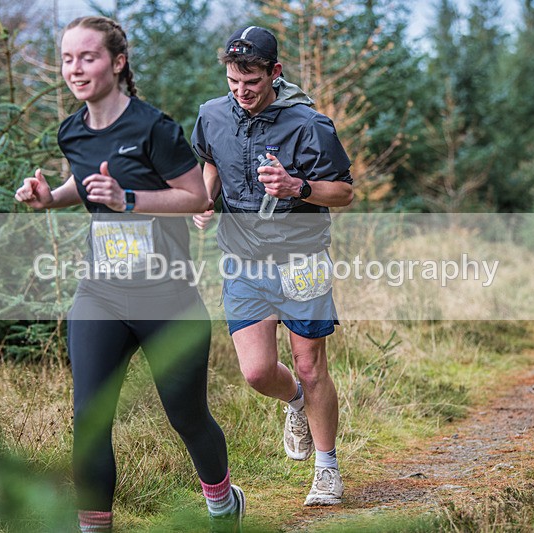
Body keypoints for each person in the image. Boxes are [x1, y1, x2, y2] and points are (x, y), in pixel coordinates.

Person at [14, 16, 244, 532]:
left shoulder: (153, 128)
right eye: (68, 58)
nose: (76, 68)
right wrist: (51, 198)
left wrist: (130, 199)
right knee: (88, 420)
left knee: (186, 417)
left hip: (166, 295)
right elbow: (83, 179)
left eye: (88, 57)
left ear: (117, 63)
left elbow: (197, 197)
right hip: (101, 294)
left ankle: (223, 504)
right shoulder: (72, 130)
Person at [192, 26, 353, 506]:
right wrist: (205, 197)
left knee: (310, 364)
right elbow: (211, 160)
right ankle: (295, 402)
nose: (242, 93)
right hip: (242, 261)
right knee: (259, 373)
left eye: (253, 83)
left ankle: (327, 470)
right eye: (233, 82)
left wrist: (296, 187)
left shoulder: (307, 124)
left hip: (300, 260)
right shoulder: (213, 114)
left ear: (274, 73)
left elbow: (344, 192)